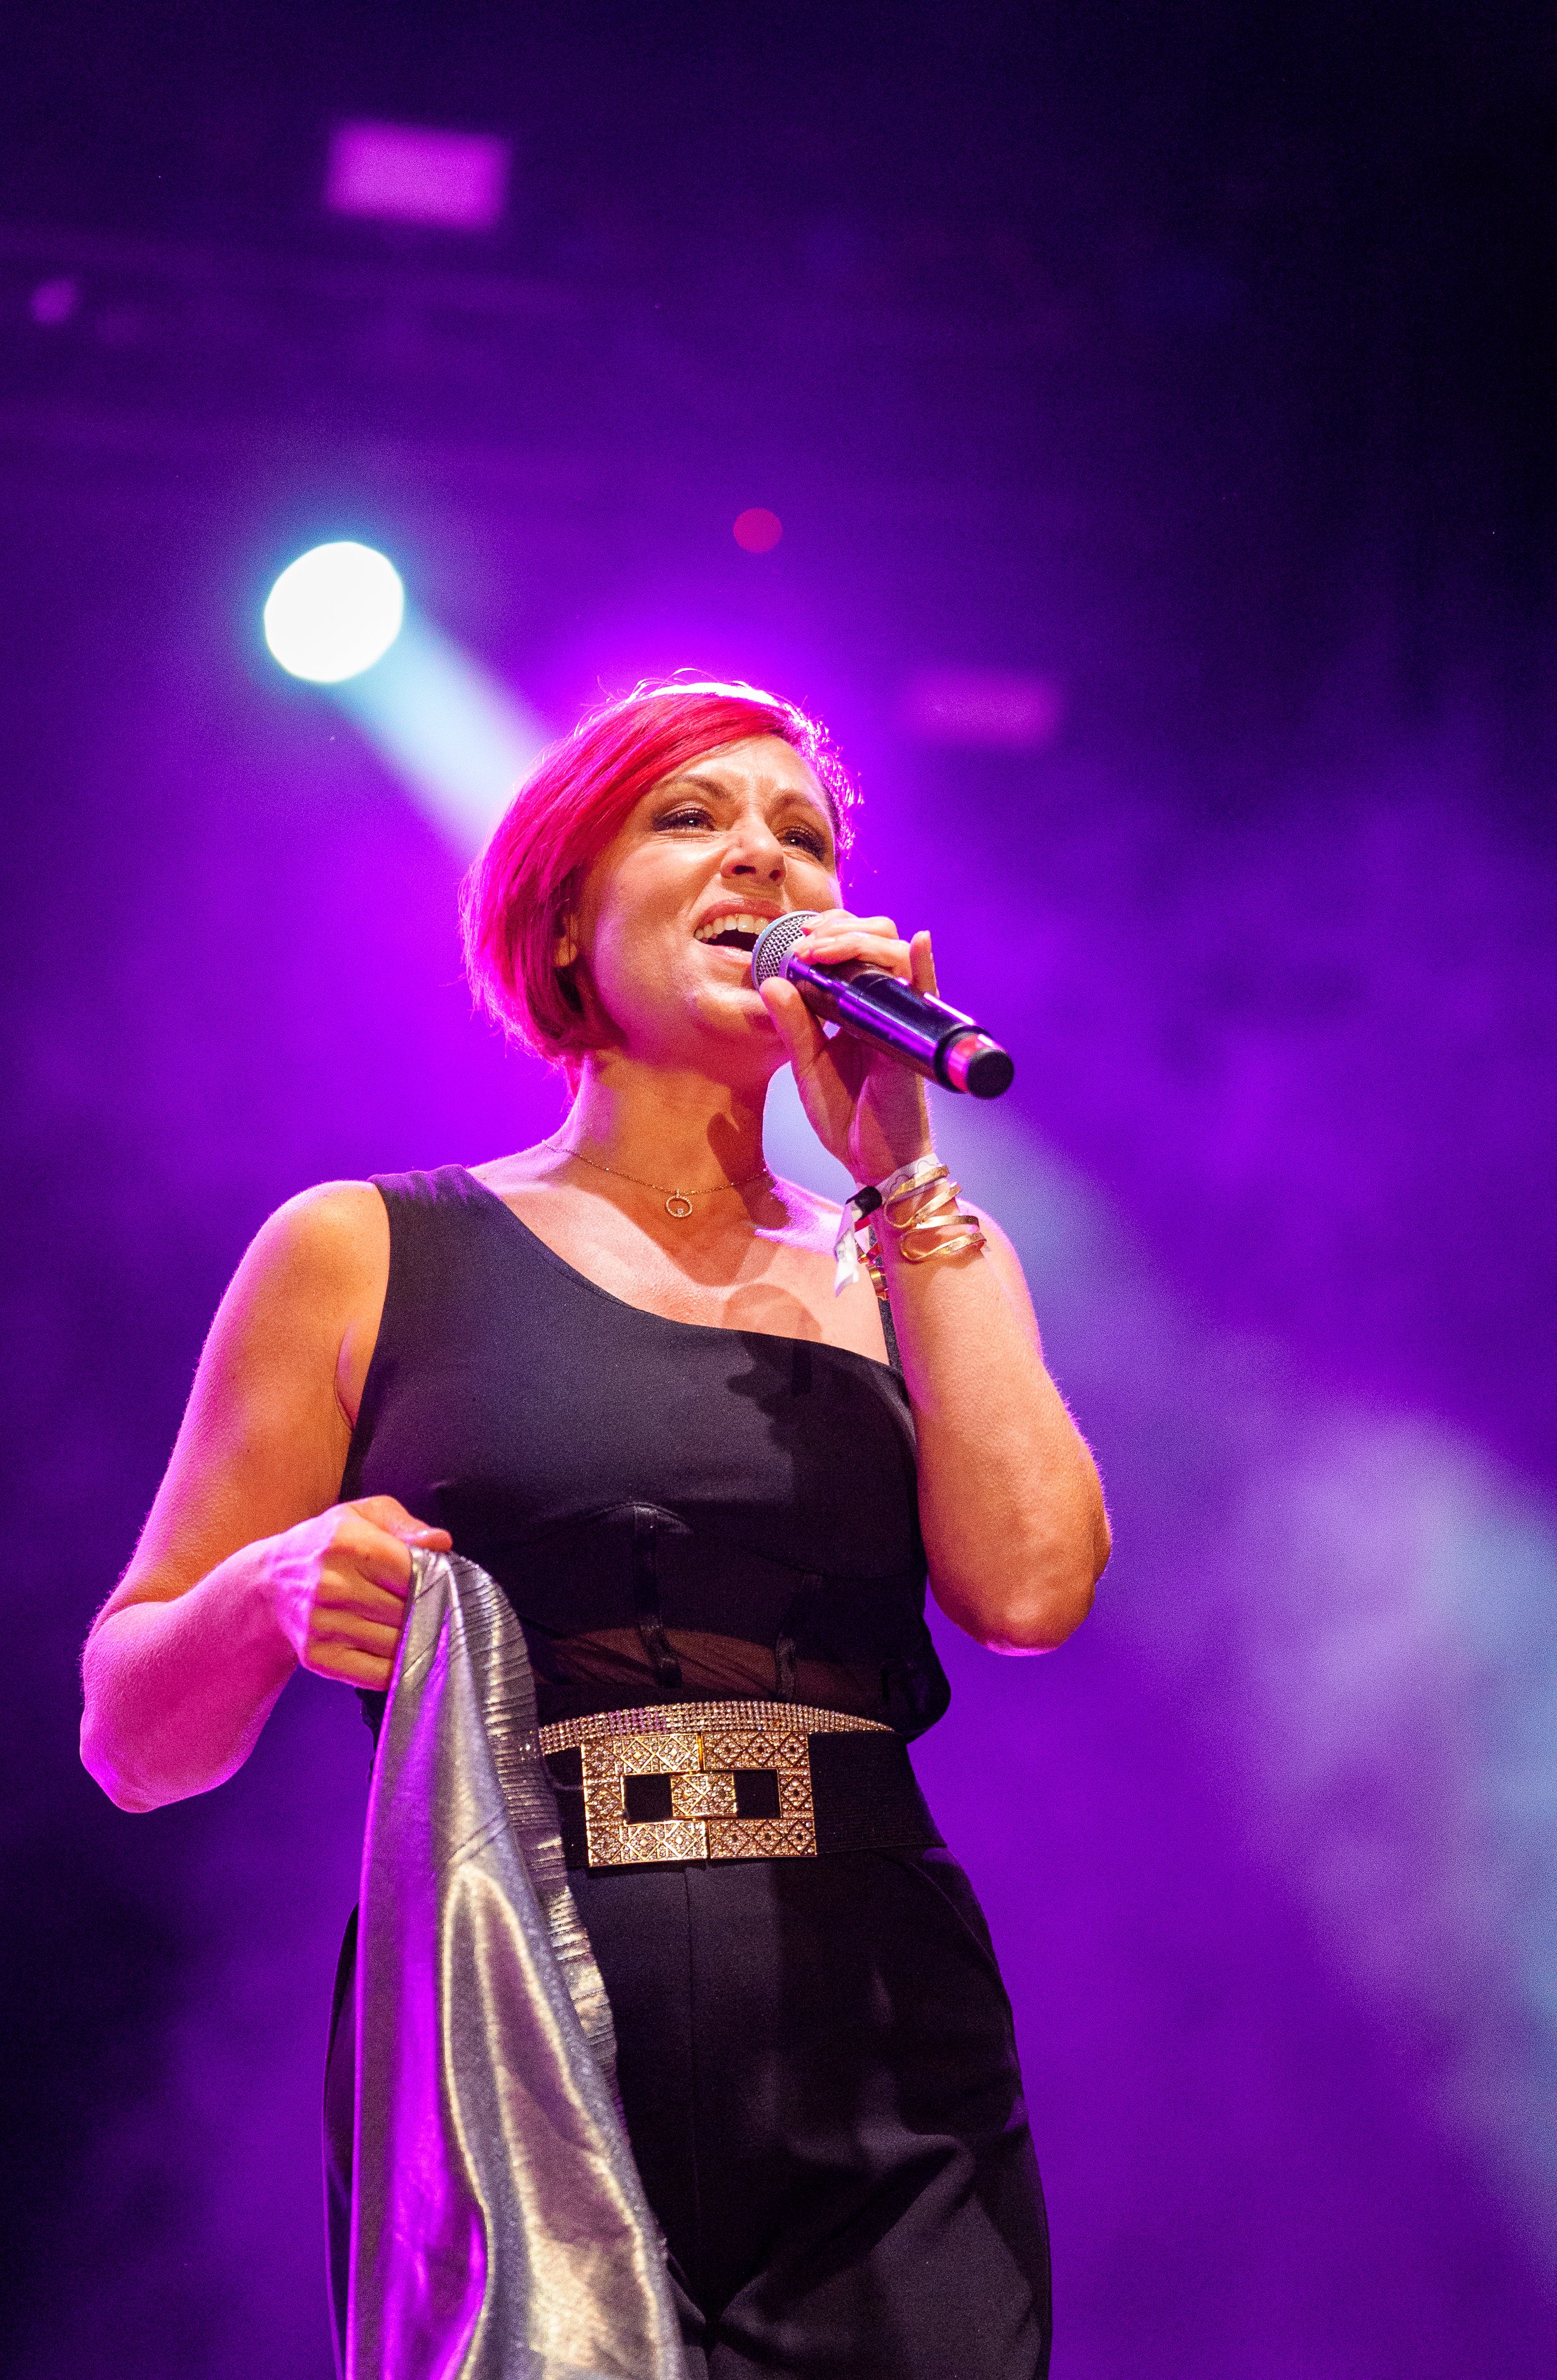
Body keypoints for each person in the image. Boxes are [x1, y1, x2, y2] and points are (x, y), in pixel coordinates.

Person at [81, 677, 1110, 2378]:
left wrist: (902, 1180)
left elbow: (1026, 1588)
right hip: (522, 2016)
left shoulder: (911, 1256)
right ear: (565, 913)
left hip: (874, 2044)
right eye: (692, 819)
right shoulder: (359, 1250)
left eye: (804, 838)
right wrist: (265, 1592)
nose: (763, 866)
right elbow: (132, 1734)